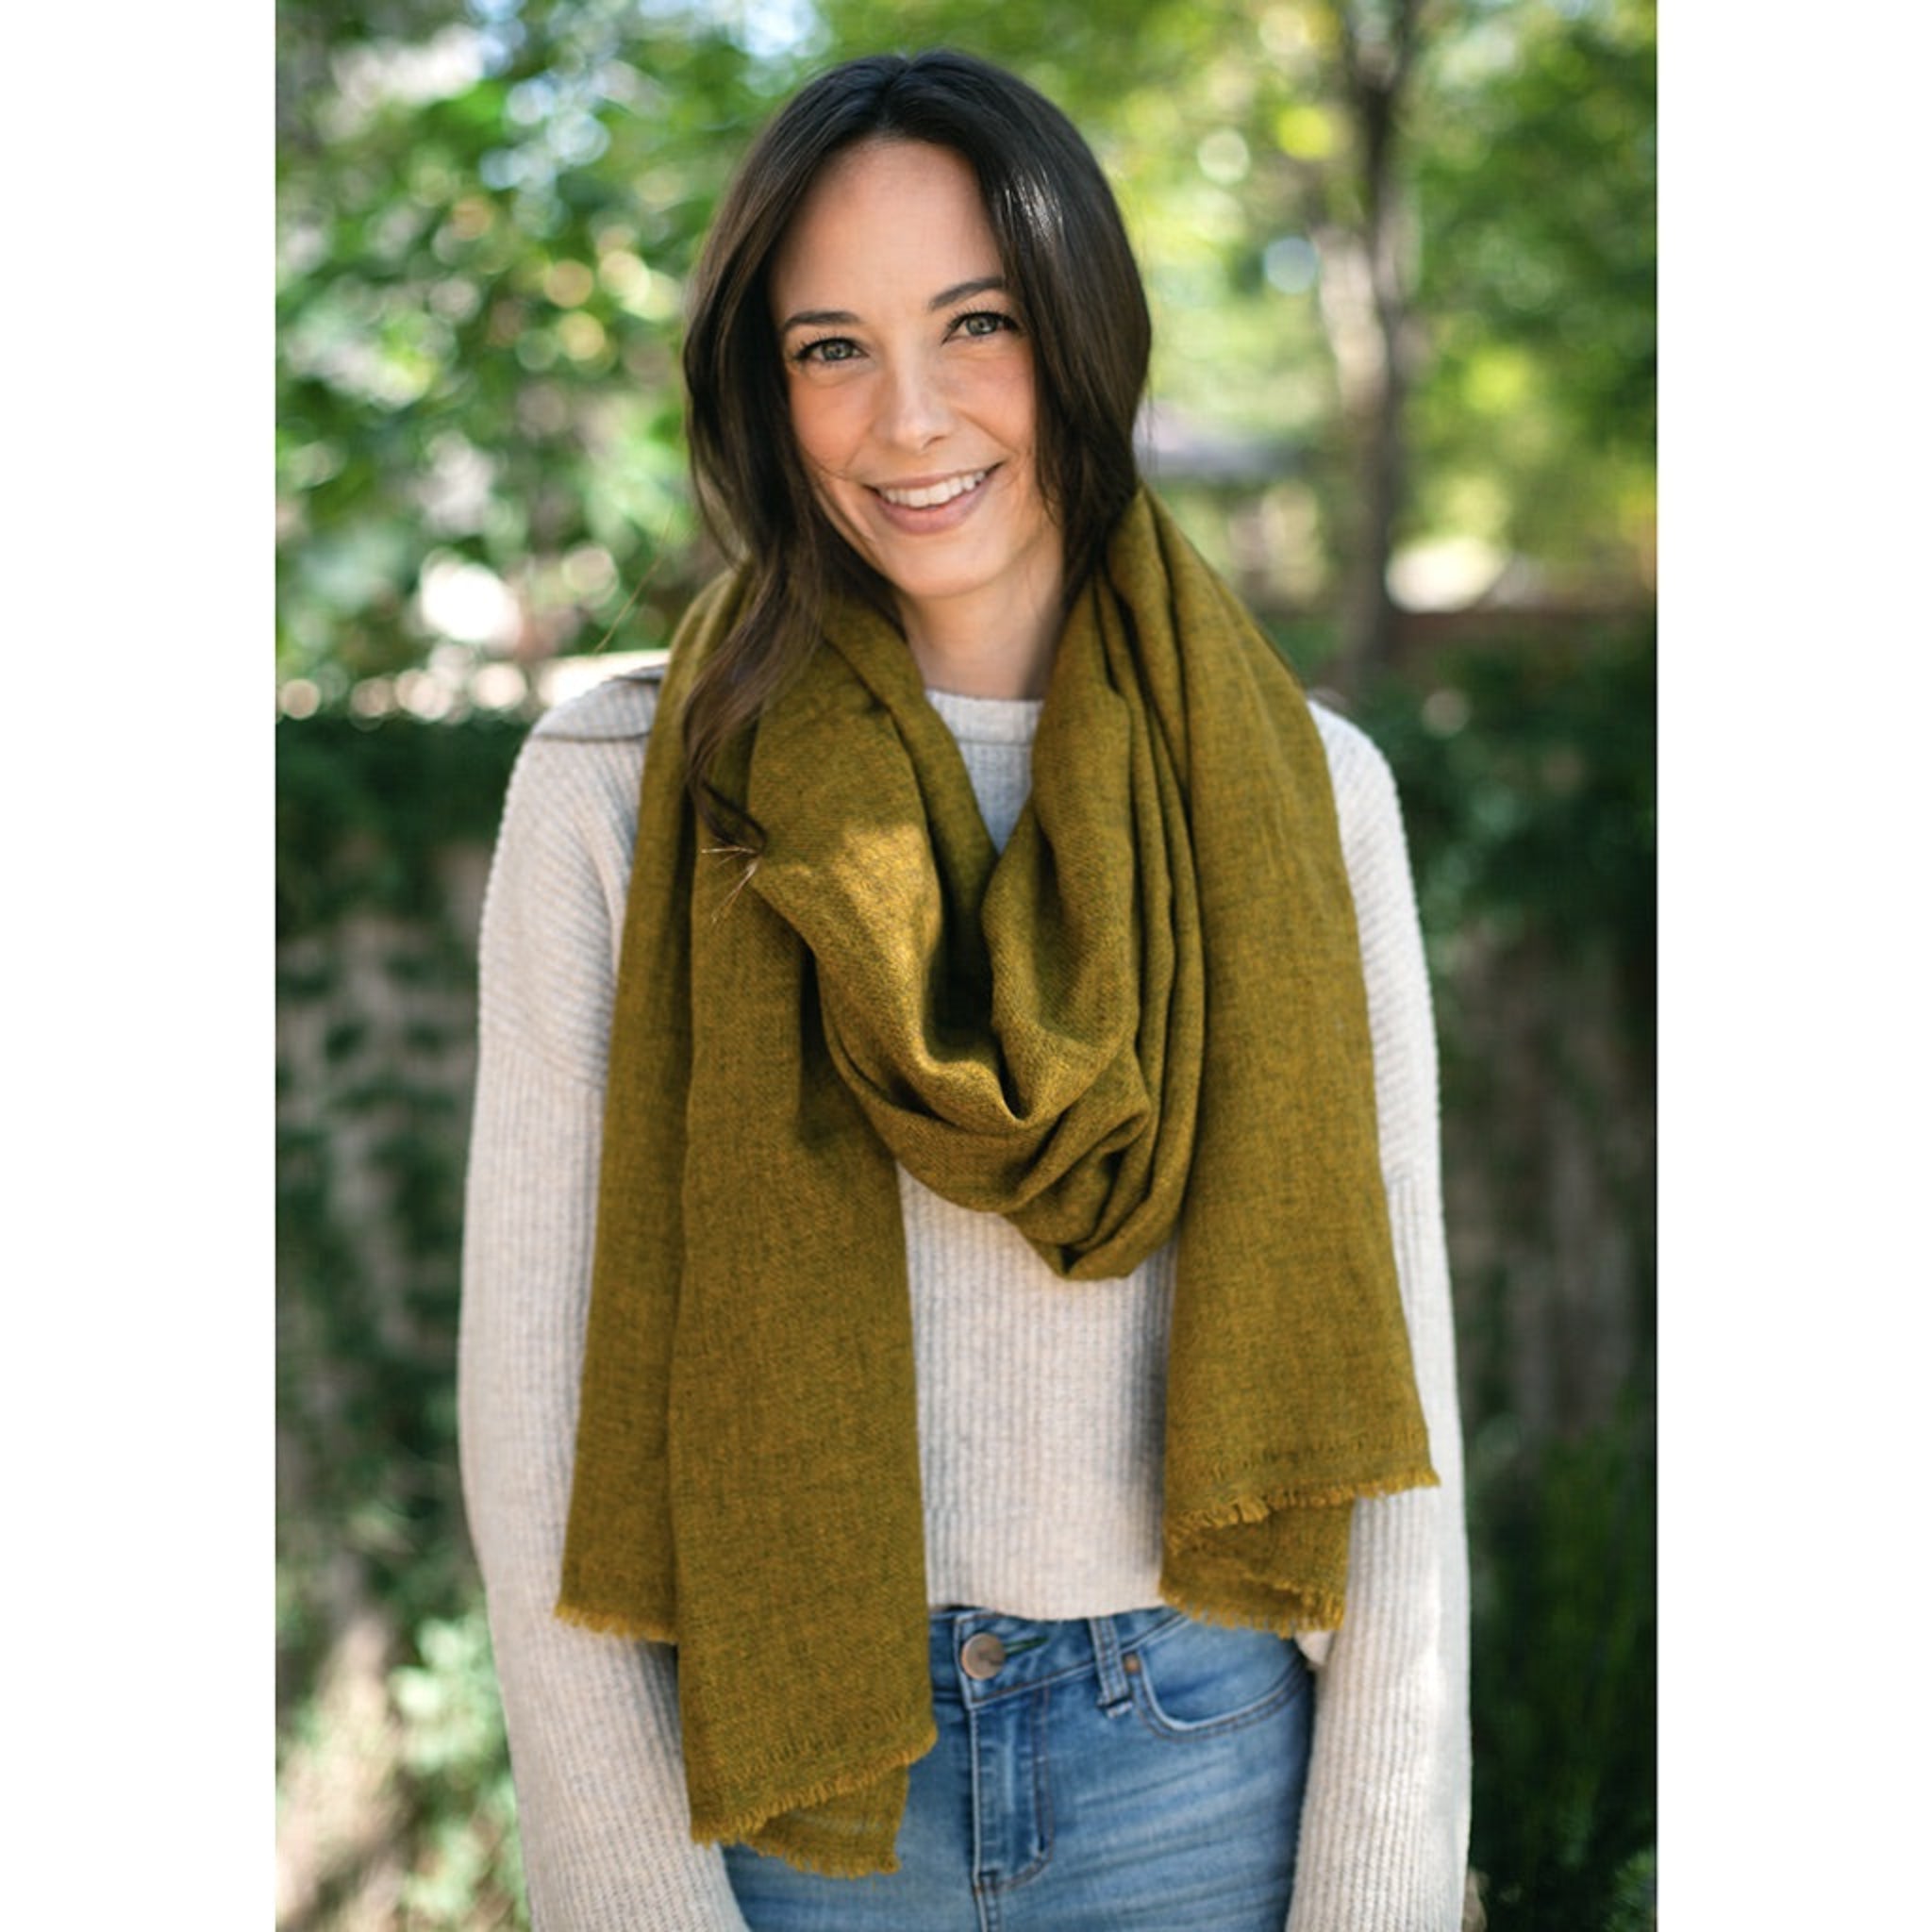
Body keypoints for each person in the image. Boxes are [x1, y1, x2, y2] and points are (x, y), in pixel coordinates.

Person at [459, 47, 1471, 1932]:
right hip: (778, 1775)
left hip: (1204, 1755)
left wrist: (1382, 1891)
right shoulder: (620, 798)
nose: (904, 418)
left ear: (1081, 328)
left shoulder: (1302, 791)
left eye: (974, 323)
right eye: (827, 344)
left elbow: (1391, 1414)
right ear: (764, 387)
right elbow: (531, 1422)